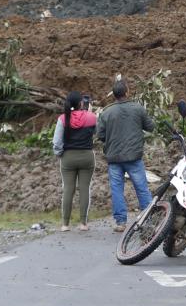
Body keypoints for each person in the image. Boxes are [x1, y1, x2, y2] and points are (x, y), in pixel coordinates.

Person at [96, 77, 155, 232]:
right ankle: (148, 219)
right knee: (141, 187)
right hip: (134, 157)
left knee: (116, 189)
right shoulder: (137, 108)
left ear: (114, 95)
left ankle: (120, 222)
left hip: (114, 158)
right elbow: (151, 127)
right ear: (127, 92)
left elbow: (100, 135)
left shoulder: (106, 112)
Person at [52, 91, 97, 232]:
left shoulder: (62, 119)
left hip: (68, 158)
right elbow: (97, 133)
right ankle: (83, 223)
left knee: (68, 189)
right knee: (84, 189)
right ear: (81, 103)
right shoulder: (91, 117)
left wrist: (60, 154)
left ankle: (65, 224)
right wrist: (90, 114)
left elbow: (57, 141)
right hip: (87, 156)